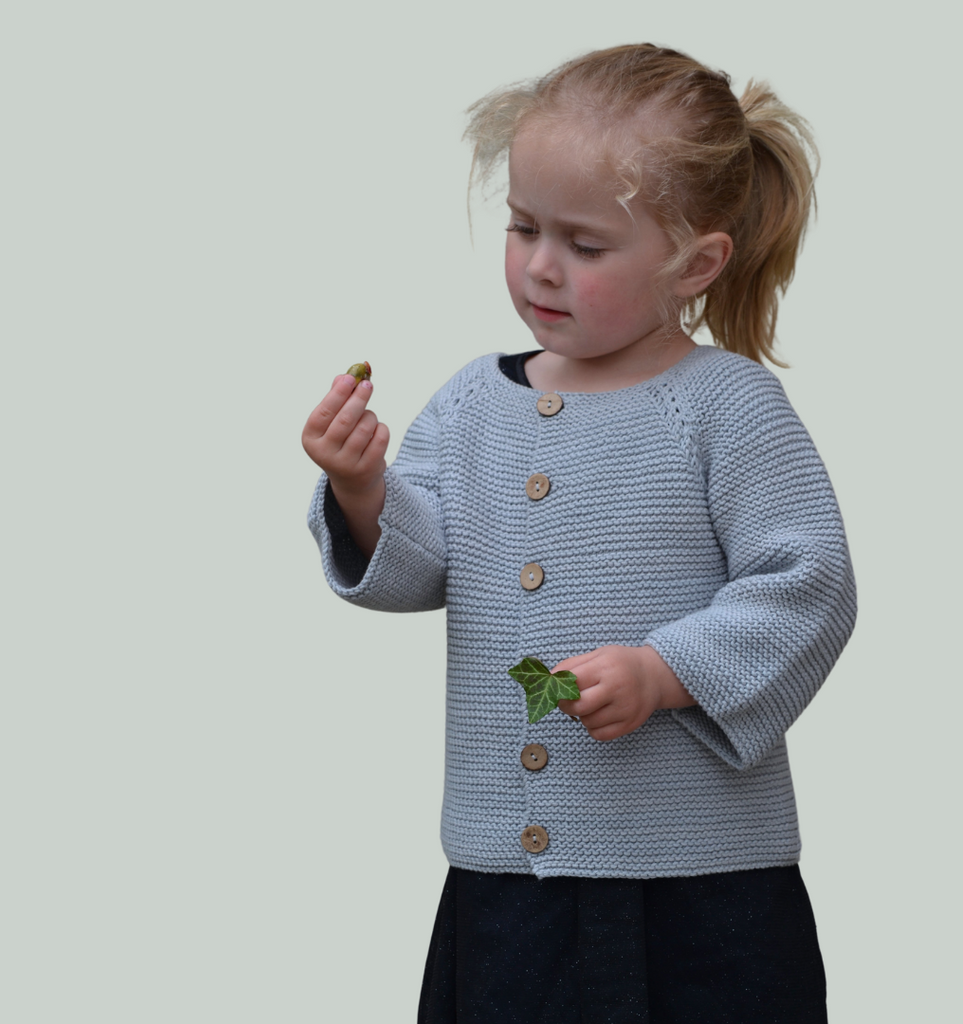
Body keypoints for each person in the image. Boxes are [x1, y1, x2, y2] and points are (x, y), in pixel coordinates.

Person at [301, 43, 856, 1023]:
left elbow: (806, 584)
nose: (540, 266)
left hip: (700, 884)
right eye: (523, 226)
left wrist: (665, 671)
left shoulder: (725, 405)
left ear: (696, 262)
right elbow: (422, 565)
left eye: (586, 245)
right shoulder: (472, 402)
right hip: (508, 888)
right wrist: (362, 489)